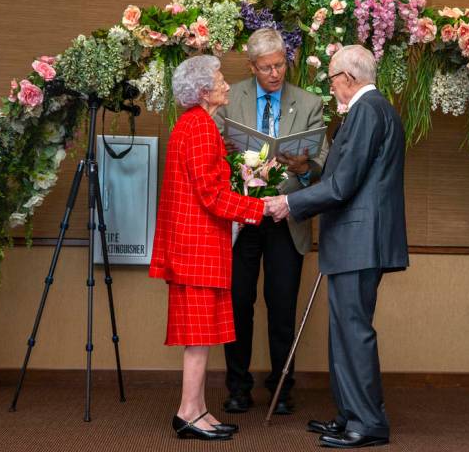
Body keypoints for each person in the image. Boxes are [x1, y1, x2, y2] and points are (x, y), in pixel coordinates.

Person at [264, 45, 409, 448]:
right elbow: (342, 177)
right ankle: (348, 416)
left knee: (353, 332)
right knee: (343, 331)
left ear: (348, 78)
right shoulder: (375, 110)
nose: (330, 88)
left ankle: (367, 423)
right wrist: (306, 175)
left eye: (330, 79)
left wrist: (288, 203)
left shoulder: (366, 110)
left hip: (359, 240)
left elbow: (343, 186)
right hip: (355, 240)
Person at [149, 55, 265, 441]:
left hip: (193, 246)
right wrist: (260, 208)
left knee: (201, 334)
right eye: (219, 79)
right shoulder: (199, 126)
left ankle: (197, 409)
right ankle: (187, 413)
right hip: (196, 248)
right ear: (202, 91)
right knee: (198, 337)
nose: (226, 84)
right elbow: (212, 195)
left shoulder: (193, 124)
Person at [214, 28, 327, 415]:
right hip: (242, 220)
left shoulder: (309, 102)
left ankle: (282, 387)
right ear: (252, 67)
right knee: (238, 304)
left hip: (286, 218)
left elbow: (322, 164)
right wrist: (226, 155)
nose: (275, 73)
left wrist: (306, 167)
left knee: (282, 306)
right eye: (266, 68)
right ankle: (238, 387)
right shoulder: (230, 99)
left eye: (280, 65)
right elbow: (211, 159)